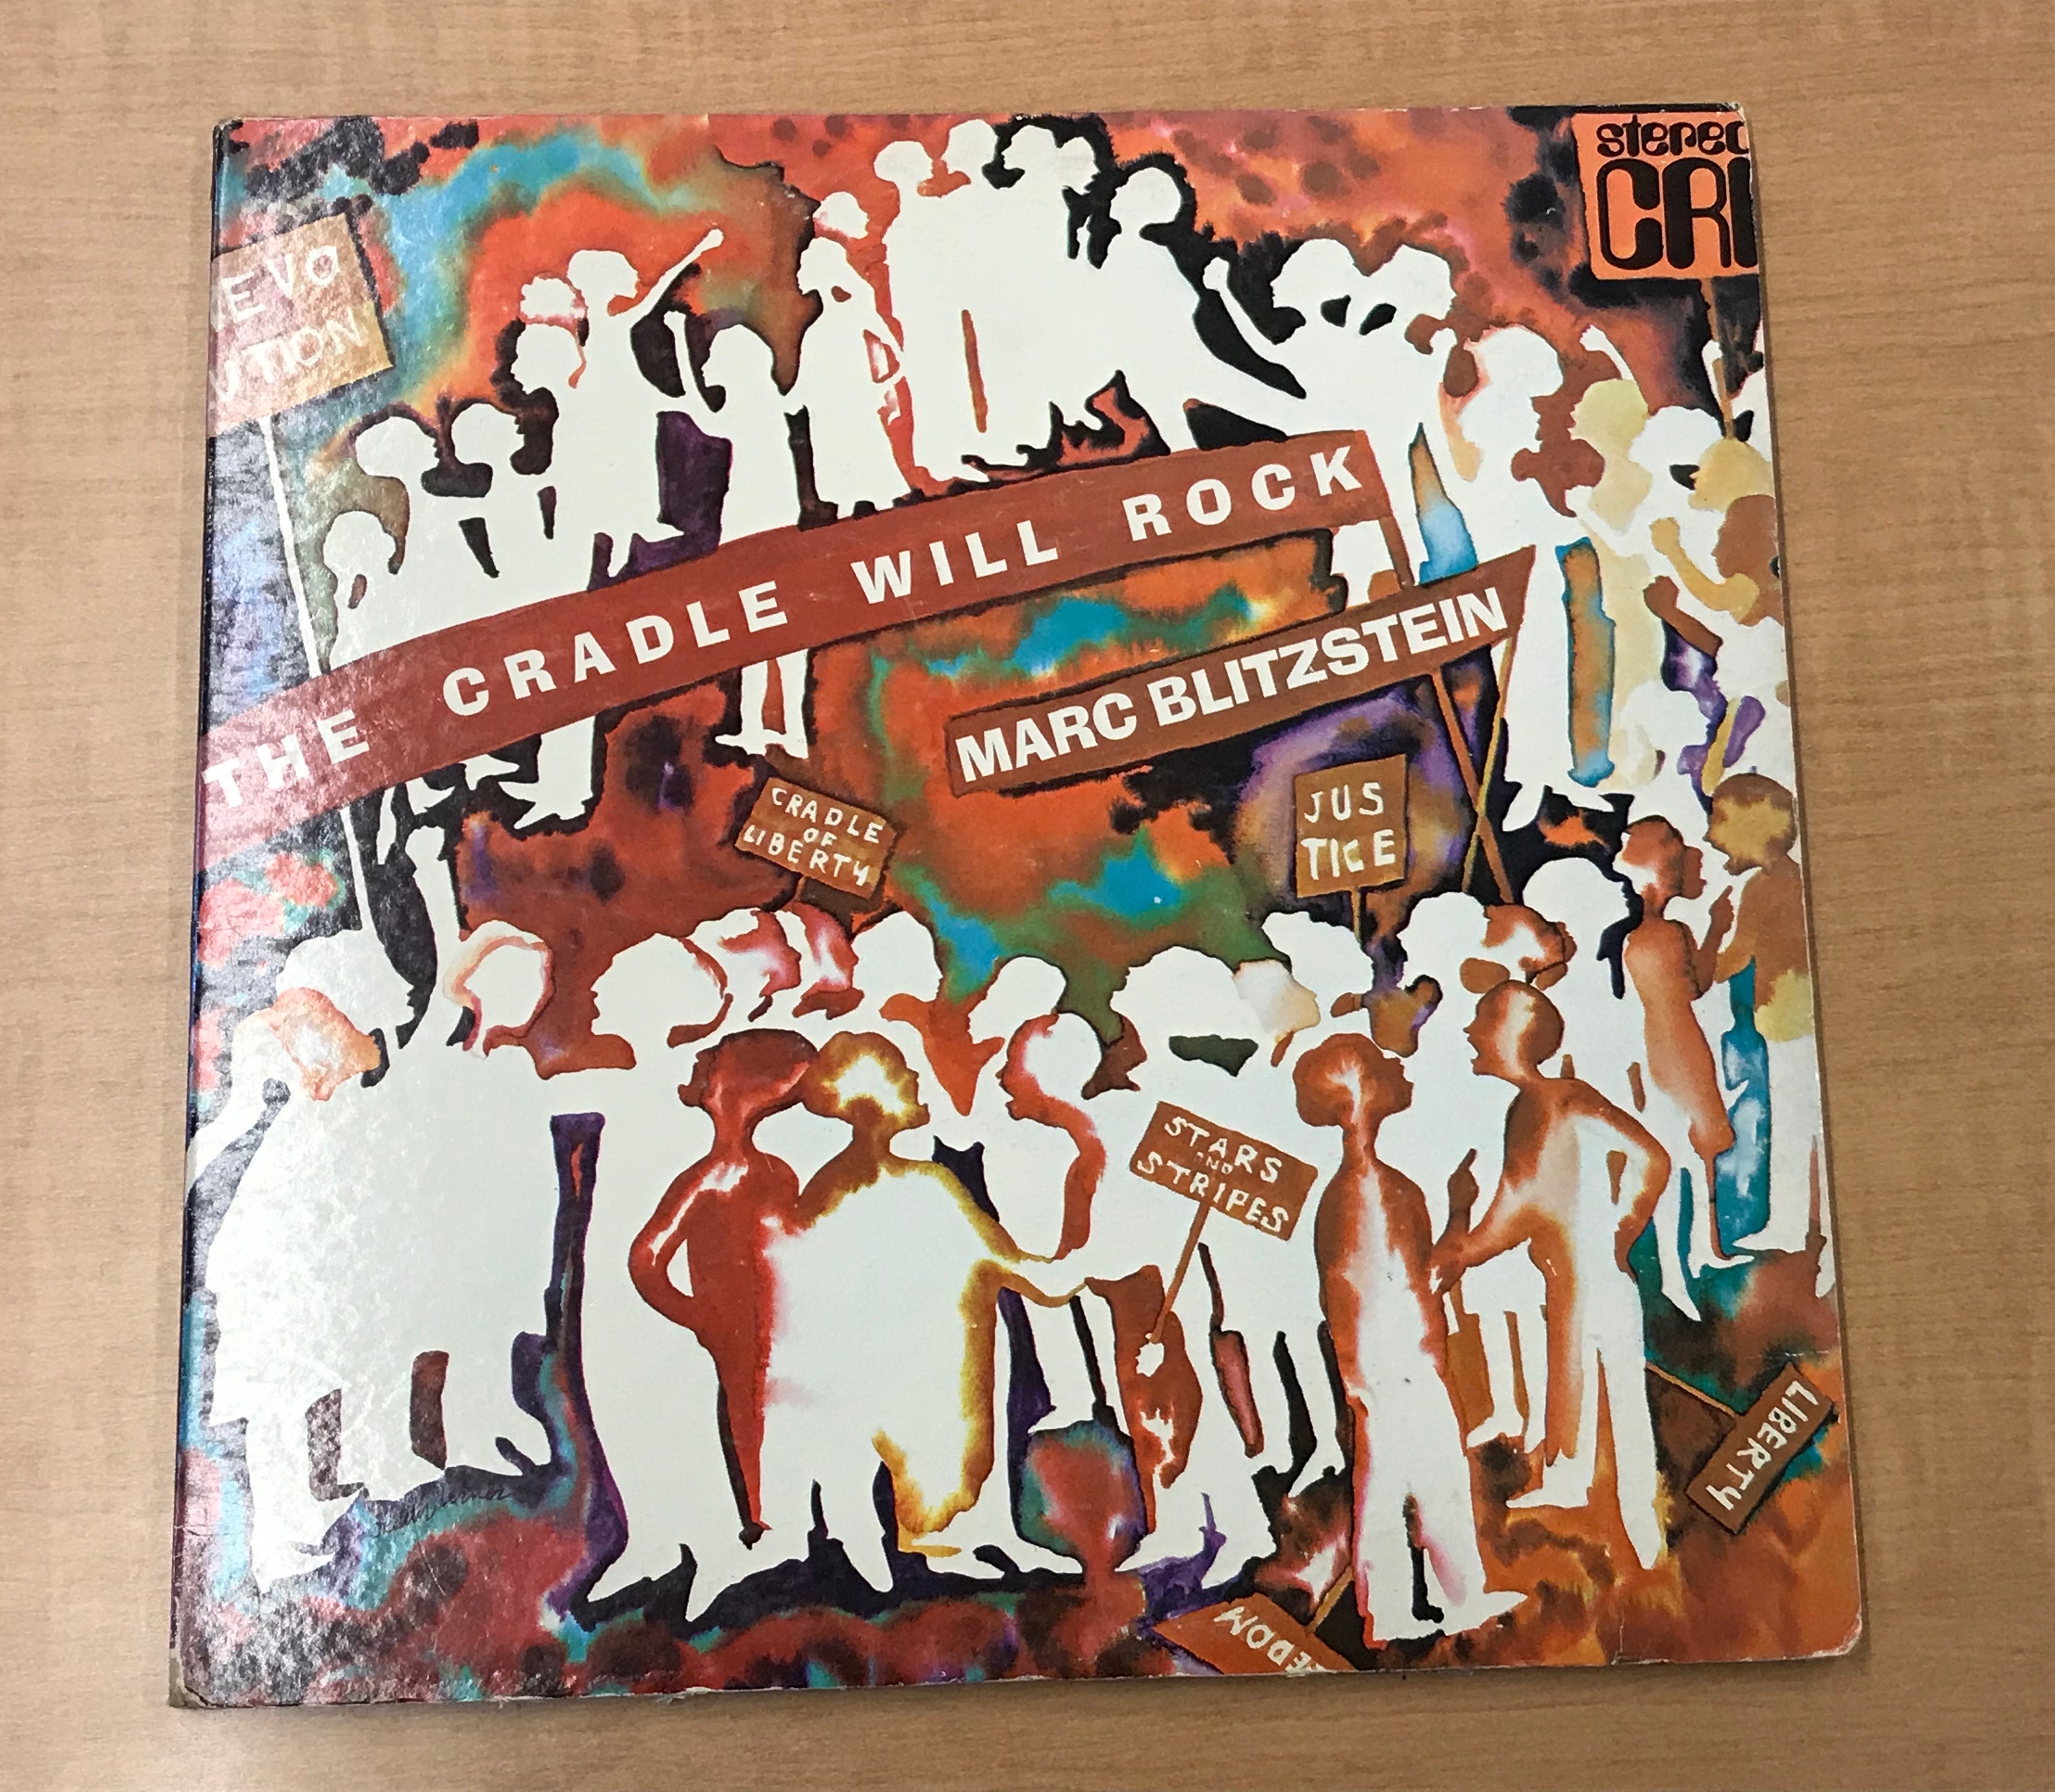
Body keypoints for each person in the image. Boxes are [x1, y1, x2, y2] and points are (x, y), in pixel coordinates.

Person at [1431, 982, 1671, 1569]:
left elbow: (1515, 1211)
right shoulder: (1565, 1097)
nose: (1470, 1030)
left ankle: (1638, 1533)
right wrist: (1620, 1228)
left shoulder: (1537, 1108)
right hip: (1585, 1272)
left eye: (1483, 1018)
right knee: (1581, 1376)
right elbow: (1651, 1159)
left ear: (1513, 1033)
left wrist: (1459, 1224)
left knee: (1602, 1382)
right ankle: (1575, 1481)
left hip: (1585, 1274)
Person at [1296, 1034, 1522, 1643]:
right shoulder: (1376, 1191)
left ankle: (1403, 1608)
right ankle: (1436, 1602)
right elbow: (1419, 1279)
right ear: (1364, 1095)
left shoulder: (1354, 1191)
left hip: (1386, 1362)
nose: (1398, 1069)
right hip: (1397, 1362)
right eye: (1382, 1068)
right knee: (1423, 1480)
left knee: (1395, 1482)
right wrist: (1459, 1211)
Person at [1616, 817, 1746, 1316]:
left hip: (1669, 1040)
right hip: (1669, 1042)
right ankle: (1685, 1261)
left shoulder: (1650, 934)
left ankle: (1702, 1250)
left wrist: (1714, 930)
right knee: (1686, 1149)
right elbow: (1693, 986)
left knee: (1689, 1150)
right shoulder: (1660, 934)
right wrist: (1716, 930)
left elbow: (1691, 987)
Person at [1708, 775, 1826, 1273]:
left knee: (1795, 1124)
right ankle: (1800, 1222)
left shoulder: (1764, 887)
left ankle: (1793, 1224)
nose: (1711, 836)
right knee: (1802, 1122)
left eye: (1719, 820)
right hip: (1793, 1009)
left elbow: (1737, 955)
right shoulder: (1792, 878)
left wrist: (1697, 967)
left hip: (1788, 1011)